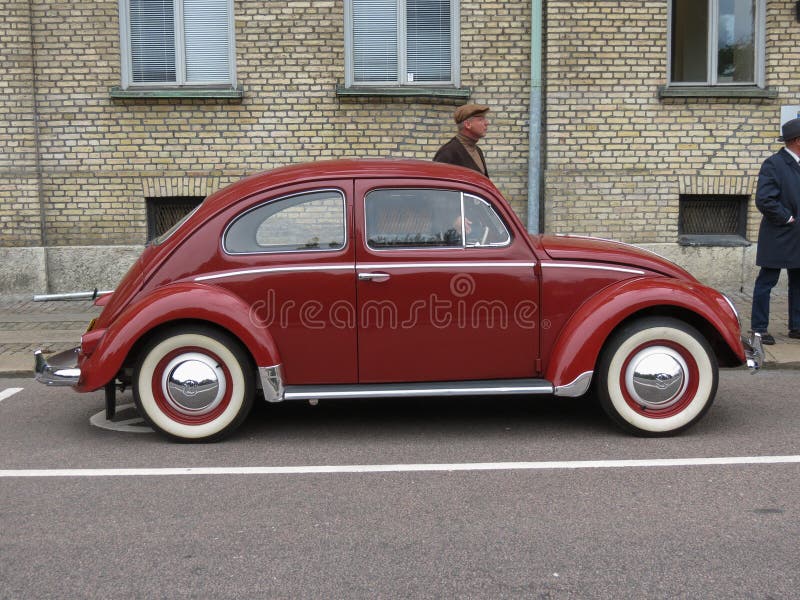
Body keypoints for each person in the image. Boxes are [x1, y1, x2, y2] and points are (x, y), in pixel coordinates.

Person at [750, 117, 800, 344]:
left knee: (798, 282)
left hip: (797, 236)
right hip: (779, 234)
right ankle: (759, 329)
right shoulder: (774, 163)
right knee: (767, 282)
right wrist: (787, 218)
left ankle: (796, 326)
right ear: (797, 141)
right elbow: (764, 199)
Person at [433, 103, 490, 177]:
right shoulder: (448, 152)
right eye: (481, 119)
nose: (487, 123)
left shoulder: (478, 150)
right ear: (468, 125)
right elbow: (438, 184)